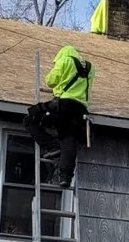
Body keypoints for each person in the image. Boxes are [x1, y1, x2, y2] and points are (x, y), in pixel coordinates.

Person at [24, 45, 94, 188]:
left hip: (63, 105)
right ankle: (65, 177)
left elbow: (51, 80)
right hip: (81, 110)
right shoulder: (89, 67)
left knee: (30, 119)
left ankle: (51, 147)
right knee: (69, 138)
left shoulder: (65, 61)